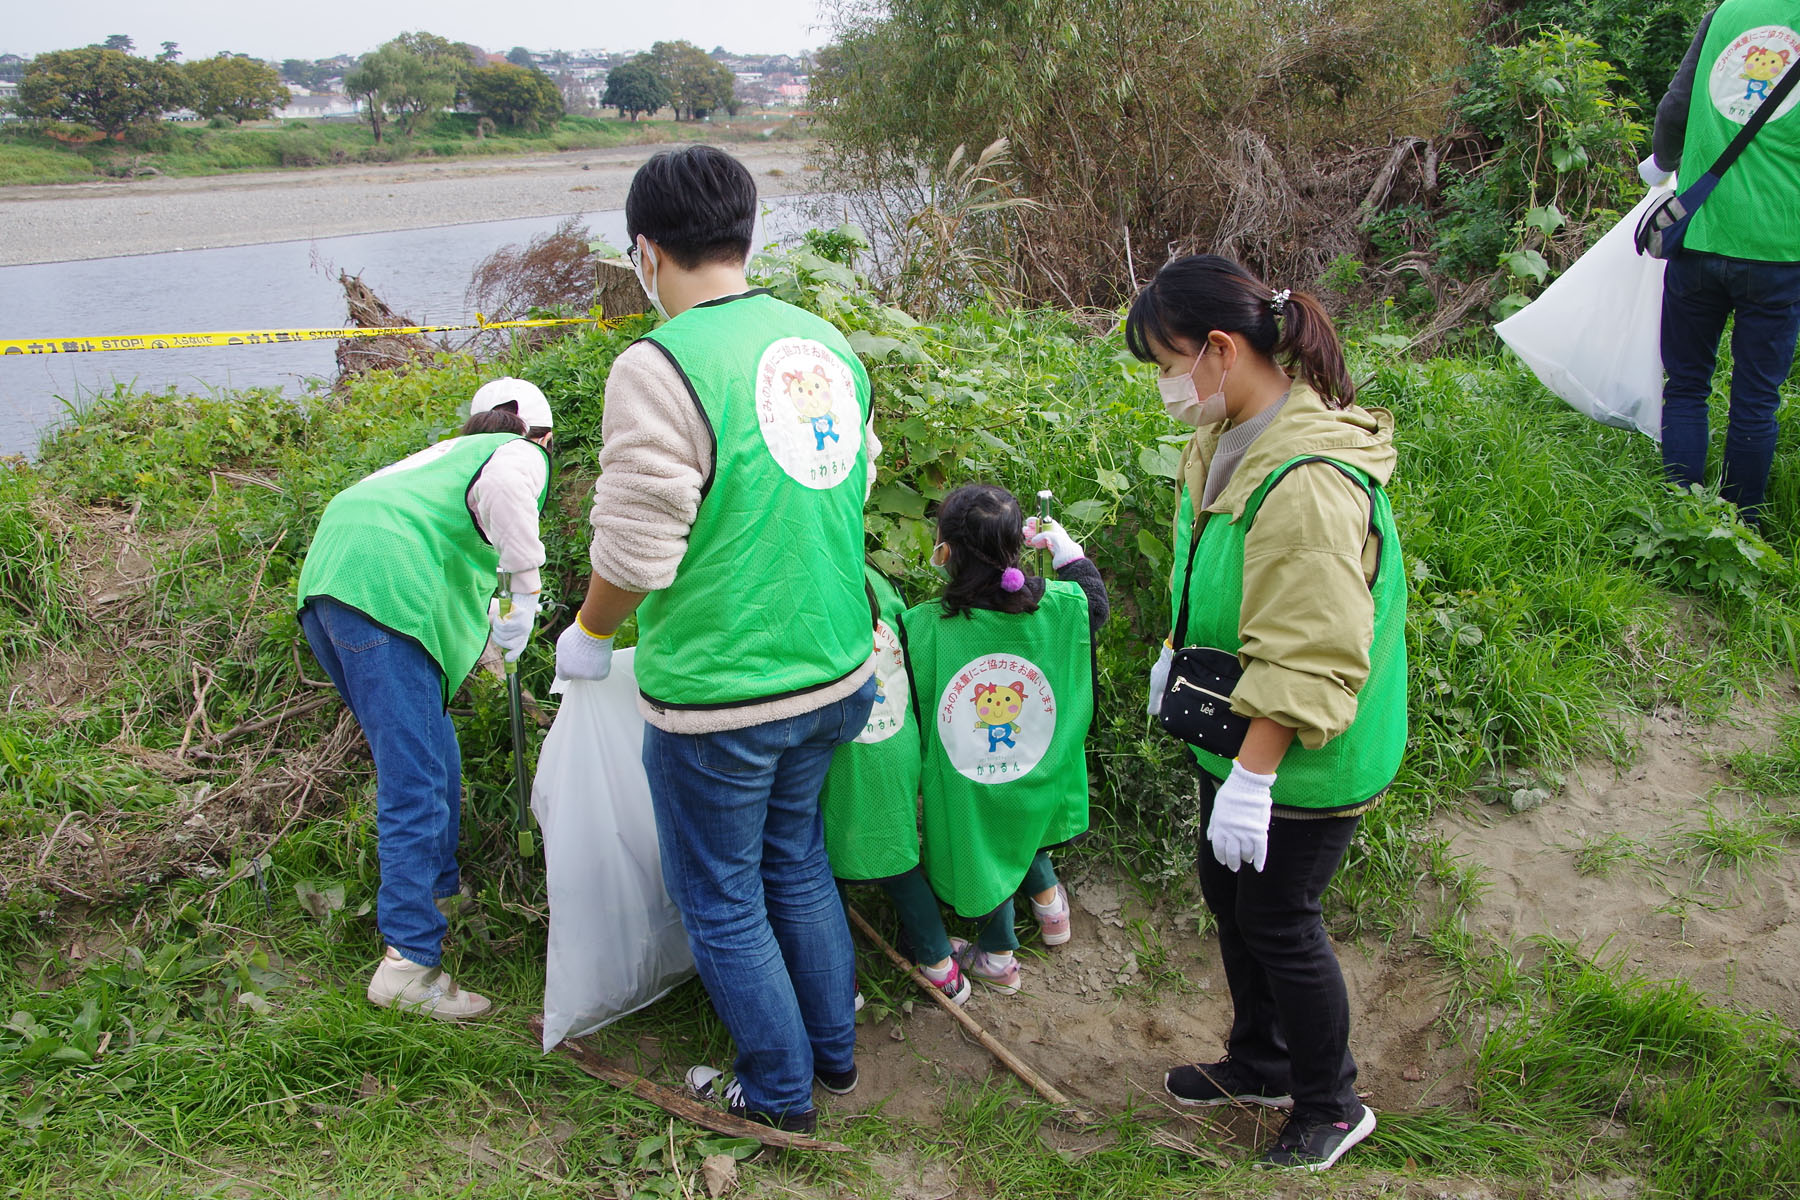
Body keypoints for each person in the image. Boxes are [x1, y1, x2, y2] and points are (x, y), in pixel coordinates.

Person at [553, 146, 879, 1135]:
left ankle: (777, 1094)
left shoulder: (658, 365)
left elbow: (641, 546)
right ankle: (833, 1055)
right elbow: (851, 483)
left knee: (723, 895)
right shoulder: (821, 343)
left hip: (724, 697)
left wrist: (589, 631)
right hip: (836, 667)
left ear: (645, 252)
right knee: (796, 860)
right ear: (749, 234)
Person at [1127, 255, 1406, 1172]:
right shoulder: (1228, 431)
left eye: (1167, 365)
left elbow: (1311, 651)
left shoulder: (1311, 478)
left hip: (1301, 750)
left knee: (1281, 918)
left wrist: (1254, 780)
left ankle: (1331, 1103)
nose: (1166, 388)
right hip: (1235, 725)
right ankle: (1263, 1061)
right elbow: (1214, 561)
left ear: (1219, 348)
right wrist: (1176, 651)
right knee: (1230, 899)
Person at [295, 376, 556, 1021]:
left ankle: (438, 893)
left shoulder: (443, 456)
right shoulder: (519, 454)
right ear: (542, 435)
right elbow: (505, 496)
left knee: (433, 748)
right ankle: (409, 964)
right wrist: (527, 593)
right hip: (381, 590)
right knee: (411, 780)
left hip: (332, 580)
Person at [896, 483, 1107, 997]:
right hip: (1039, 765)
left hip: (972, 778)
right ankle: (1052, 913)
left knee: (984, 853)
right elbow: (1094, 606)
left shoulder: (925, 627)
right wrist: (1068, 554)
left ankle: (997, 958)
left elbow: (917, 704)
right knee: (1023, 826)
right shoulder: (1058, 606)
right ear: (1019, 546)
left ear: (945, 552)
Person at [1645, 0, 1800, 525]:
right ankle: (1740, 531)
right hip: (1782, 249)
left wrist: (1662, 163)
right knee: (1756, 397)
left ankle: (1681, 520)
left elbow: (1676, 107)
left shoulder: (1726, 14)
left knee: (1686, 383)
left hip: (1701, 232)